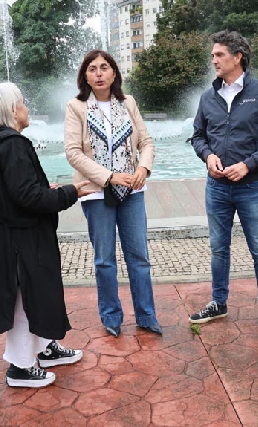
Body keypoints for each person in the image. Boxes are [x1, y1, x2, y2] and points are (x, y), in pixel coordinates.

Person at [0, 82, 90, 388]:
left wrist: (45, 192)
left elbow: (16, 192)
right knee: (21, 298)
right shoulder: (12, 144)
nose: (27, 108)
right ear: (11, 110)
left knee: (33, 293)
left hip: (4, 236)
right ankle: (20, 366)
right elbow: (28, 197)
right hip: (15, 240)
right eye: (22, 103)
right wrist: (69, 192)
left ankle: (44, 347)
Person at [188, 30, 258, 338]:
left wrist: (248, 165)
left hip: (252, 187)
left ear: (237, 57)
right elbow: (198, 137)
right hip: (216, 187)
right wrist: (207, 157)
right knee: (219, 249)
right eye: (213, 55)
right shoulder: (209, 97)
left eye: (219, 55)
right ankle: (219, 302)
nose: (214, 60)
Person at [64, 49, 162, 338]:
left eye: (104, 67)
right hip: (96, 192)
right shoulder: (76, 107)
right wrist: (108, 176)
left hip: (132, 190)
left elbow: (146, 141)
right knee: (104, 259)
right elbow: (72, 152)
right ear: (85, 76)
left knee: (139, 256)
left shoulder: (128, 102)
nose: (98, 73)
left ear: (114, 72)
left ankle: (146, 315)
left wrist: (143, 167)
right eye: (92, 69)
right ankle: (111, 316)